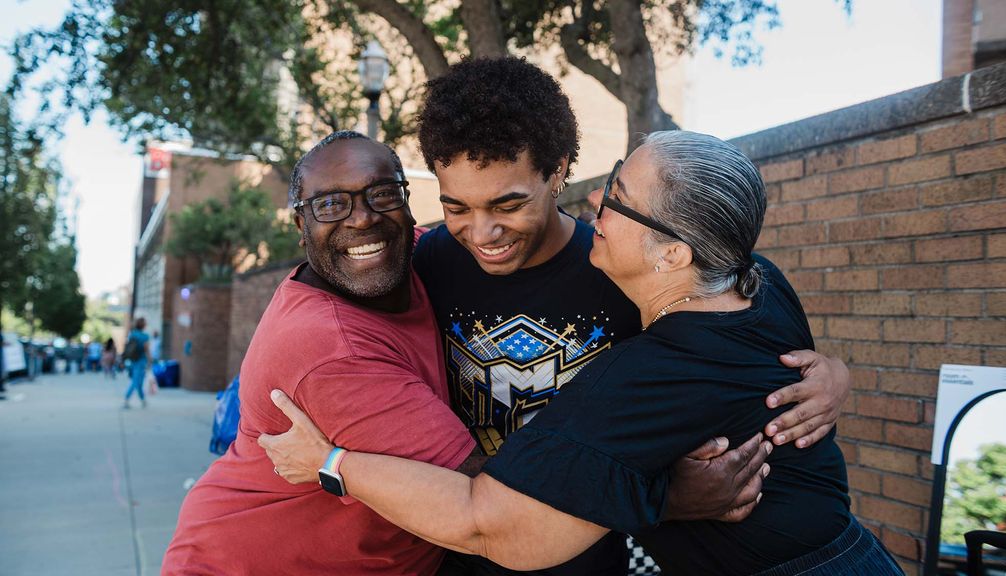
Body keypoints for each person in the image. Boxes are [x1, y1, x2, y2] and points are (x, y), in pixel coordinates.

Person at [261, 131, 903, 575]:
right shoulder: (759, 283)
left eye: (620, 200)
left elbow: (486, 523)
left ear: (674, 253)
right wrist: (833, 373)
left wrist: (332, 462)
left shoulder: (640, 379)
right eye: (612, 181)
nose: (598, 203)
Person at [162, 132, 768, 575]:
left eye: (382, 194)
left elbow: (724, 263)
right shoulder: (333, 350)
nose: (362, 220)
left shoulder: (419, 256)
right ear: (299, 224)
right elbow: (493, 508)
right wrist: (668, 498)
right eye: (330, 204)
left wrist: (811, 365)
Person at [406, 57, 850, 574]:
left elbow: (732, 322)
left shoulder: (623, 270)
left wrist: (829, 376)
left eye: (508, 205)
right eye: (457, 208)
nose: (482, 233)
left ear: (557, 172)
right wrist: (668, 497)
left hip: (591, 559)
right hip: (458, 549)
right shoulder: (429, 265)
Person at [123, 318, 151, 408]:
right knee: (136, 382)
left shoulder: (133, 334)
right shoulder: (145, 336)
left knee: (139, 382)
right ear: (143, 325)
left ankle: (143, 400)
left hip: (132, 361)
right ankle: (126, 399)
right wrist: (150, 360)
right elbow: (147, 349)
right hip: (141, 361)